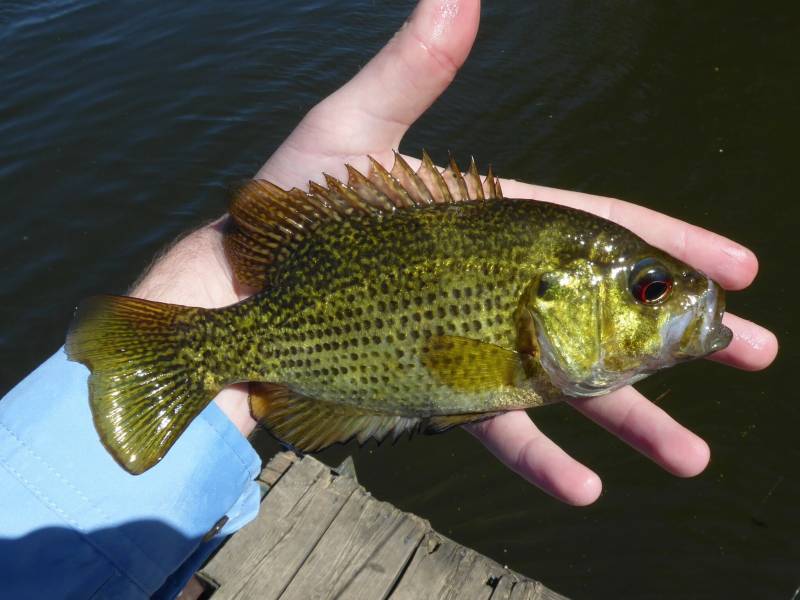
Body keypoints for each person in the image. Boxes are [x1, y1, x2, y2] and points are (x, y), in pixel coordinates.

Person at [0, 0, 777, 598]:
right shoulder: (524, 344)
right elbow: (443, 368)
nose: (668, 302)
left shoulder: (531, 347)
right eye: (648, 290)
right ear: (551, 299)